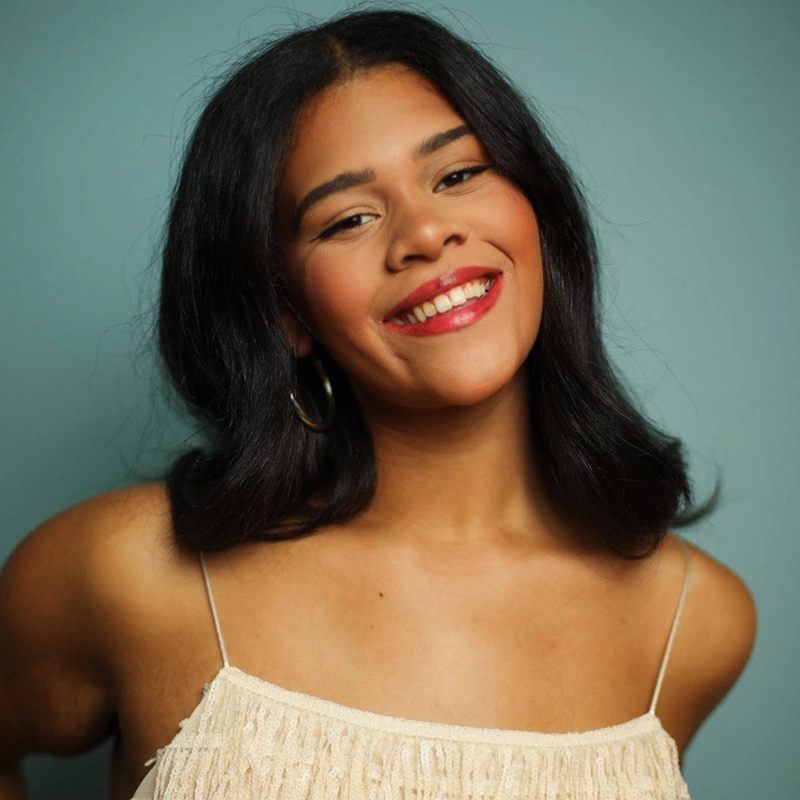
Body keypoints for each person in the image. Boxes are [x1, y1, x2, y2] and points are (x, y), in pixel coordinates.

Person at [0, 9, 756, 800]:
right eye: (348, 218)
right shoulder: (125, 571)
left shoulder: (695, 624)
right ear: (285, 312)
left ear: (539, 216)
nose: (425, 233)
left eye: (459, 174)